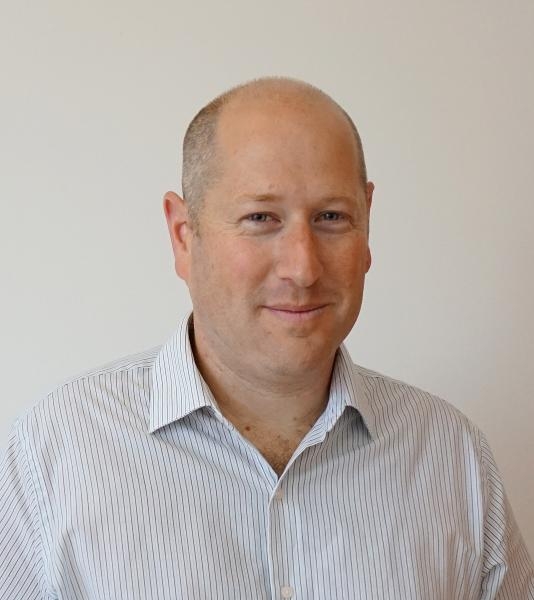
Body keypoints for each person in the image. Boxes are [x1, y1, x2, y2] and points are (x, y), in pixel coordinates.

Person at [1, 77, 533, 600]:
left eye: (331, 217)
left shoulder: (452, 455)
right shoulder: (53, 456)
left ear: (368, 225)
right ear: (183, 237)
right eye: (260, 217)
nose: (303, 268)